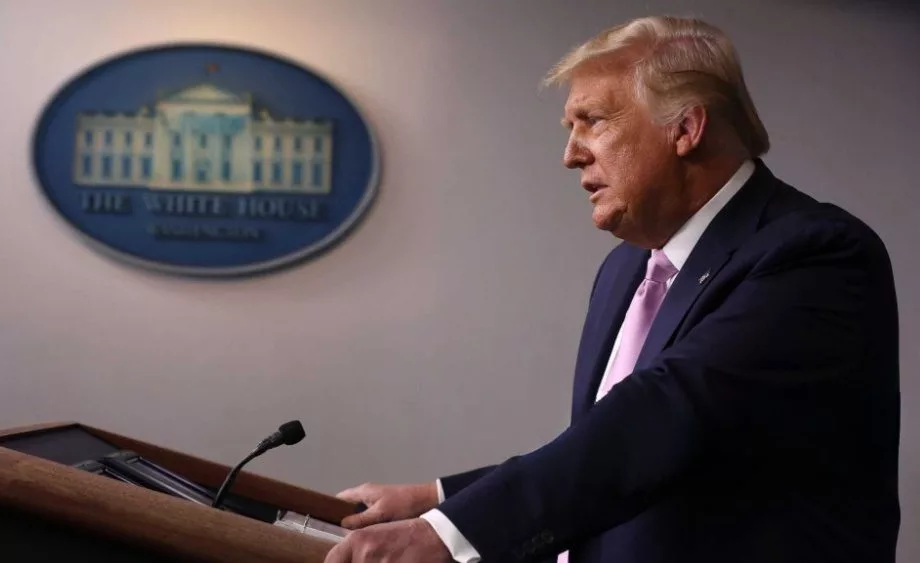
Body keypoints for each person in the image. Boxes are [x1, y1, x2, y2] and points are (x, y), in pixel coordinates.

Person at [323, 15, 900, 563]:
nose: (571, 155)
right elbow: (608, 448)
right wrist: (441, 497)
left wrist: (452, 535)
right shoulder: (626, 269)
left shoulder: (816, 253)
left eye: (592, 121)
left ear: (685, 129)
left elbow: (663, 420)